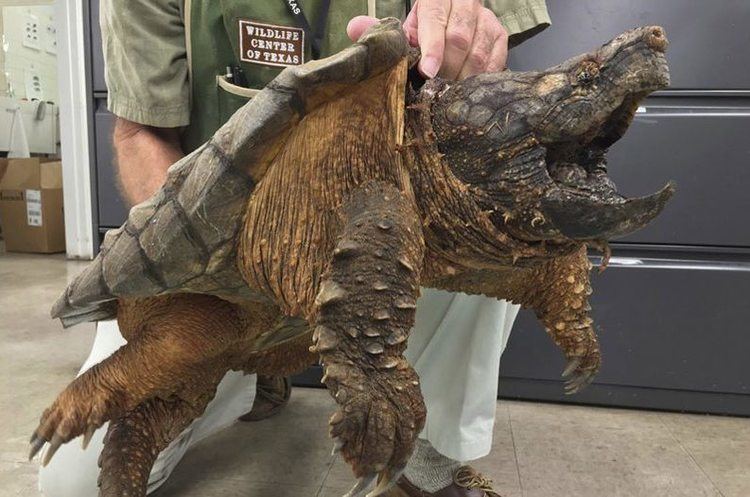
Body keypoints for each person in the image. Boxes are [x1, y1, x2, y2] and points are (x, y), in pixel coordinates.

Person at [38, 1, 550, 496]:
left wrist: (467, 37)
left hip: (387, 225)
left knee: (513, 210)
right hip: (222, 264)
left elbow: (490, 90)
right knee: (72, 483)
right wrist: (206, 272)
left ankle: (425, 459)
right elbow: (139, 132)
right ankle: (246, 374)